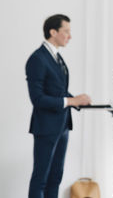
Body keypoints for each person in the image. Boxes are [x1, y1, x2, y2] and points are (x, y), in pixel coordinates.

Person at [26, 14, 91, 198]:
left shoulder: (56, 57)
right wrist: (72, 101)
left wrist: (78, 99)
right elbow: (37, 99)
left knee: (55, 177)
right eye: (66, 31)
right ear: (53, 32)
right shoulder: (38, 59)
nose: (70, 36)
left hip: (62, 126)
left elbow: (58, 91)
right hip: (46, 127)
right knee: (41, 178)